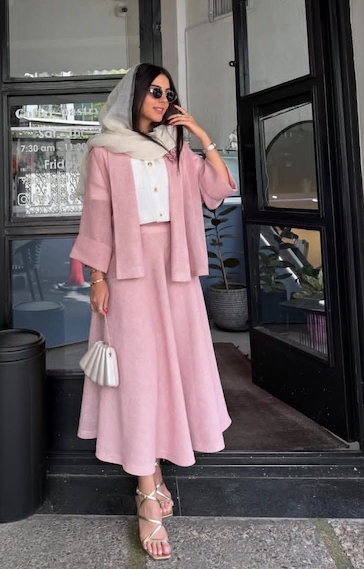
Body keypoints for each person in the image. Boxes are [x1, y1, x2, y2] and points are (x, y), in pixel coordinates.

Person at [70, 63, 235, 561]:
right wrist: (97, 277)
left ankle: (155, 467)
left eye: (169, 93)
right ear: (136, 94)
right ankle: (146, 489)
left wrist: (201, 135)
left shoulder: (177, 149)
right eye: (155, 91)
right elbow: (97, 217)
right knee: (139, 373)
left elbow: (219, 189)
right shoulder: (106, 151)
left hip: (176, 270)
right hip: (128, 270)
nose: (163, 99)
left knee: (173, 368)